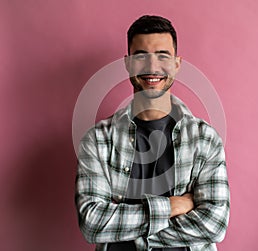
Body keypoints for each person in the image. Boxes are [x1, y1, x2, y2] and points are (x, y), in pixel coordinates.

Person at [75, 15, 230, 251]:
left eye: (162, 56)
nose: (152, 67)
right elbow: (92, 224)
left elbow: (214, 225)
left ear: (177, 64)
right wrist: (171, 207)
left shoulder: (205, 139)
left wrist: (127, 232)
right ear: (127, 63)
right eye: (141, 56)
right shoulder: (97, 141)